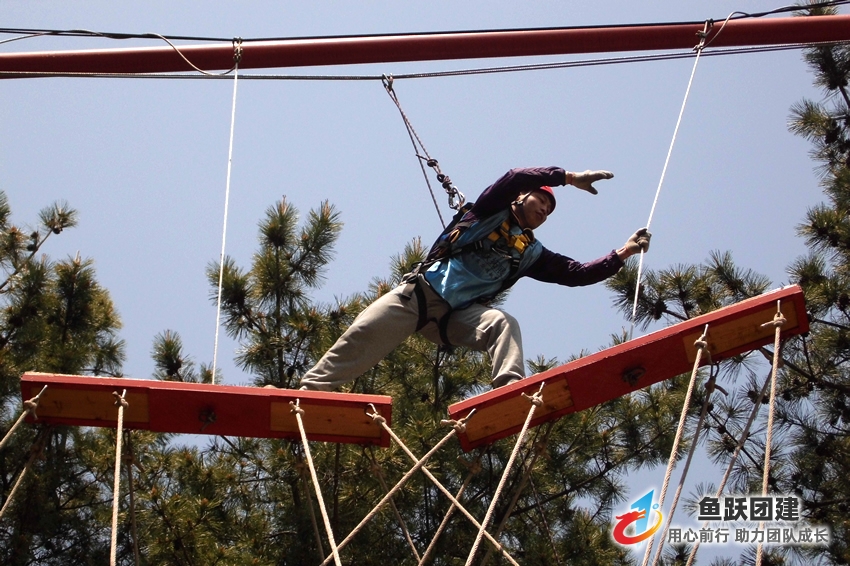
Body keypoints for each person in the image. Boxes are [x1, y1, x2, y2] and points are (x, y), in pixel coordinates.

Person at [299, 166, 650, 392]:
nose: (545, 210)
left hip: (456, 317)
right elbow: (515, 177)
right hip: (419, 295)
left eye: (549, 210)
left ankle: (510, 390)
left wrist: (623, 253)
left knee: (502, 323)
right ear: (522, 197)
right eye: (541, 200)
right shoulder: (487, 211)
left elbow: (576, 273)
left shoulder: (531, 253)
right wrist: (568, 178)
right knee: (362, 334)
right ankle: (308, 393)